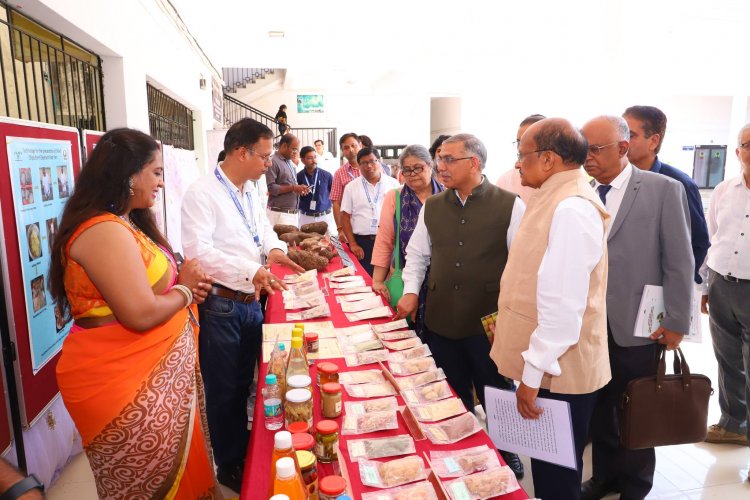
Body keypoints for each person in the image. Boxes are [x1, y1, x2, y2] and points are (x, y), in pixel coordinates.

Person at [50, 128, 217, 498]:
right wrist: (186, 289)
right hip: (123, 383)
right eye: (156, 172)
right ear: (129, 175)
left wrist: (185, 288)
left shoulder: (126, 223)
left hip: (152, 373)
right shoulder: (102, 231)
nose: (161, 181)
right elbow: (139, 314)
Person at [181, 118, 304, 492]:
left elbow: (262, 229)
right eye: (265, 157)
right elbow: (199, 252)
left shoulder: (251, 188)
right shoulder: (202, 193)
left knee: (247, 380)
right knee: (225, 389)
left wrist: (276, 251)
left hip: (252, 300)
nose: (270, 163)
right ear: (240, 152)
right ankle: (230, 463)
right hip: (222, 304)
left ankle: (242, 445)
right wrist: (252, 269)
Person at [490, 118, 611, 499]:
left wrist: (532, 375)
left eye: (521, 155)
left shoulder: (571, 208)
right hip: (550, 368)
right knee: (549, 473)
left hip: (558, 372)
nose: (517, 164)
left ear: (547, 160)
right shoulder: (553, 197)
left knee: (557, 480)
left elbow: (562, 308)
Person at [394, 133, 526, 479]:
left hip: (489, 323)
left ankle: (506, 450)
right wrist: (410, 292)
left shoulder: (510, 205)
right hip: (440, 319)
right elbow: (417, 255)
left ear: (474, 163)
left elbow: (522, 267)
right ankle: (460, 451)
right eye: (439, 159)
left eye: (449, 159)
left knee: (495, 391)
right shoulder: (433, 206)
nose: (441, 166)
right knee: (449, 392)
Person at [580, 116, 693, 500]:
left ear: (623, 148)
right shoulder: (583, 191)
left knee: (637, 409)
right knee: (601, 409)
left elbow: (679, 260)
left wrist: (677, 321)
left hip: (641, 323)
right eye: (584, 148)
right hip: (592, 324)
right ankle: (605, 476)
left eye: (595, 149)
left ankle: (636, 485)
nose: (587, 157)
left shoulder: (663, 189)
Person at [699, 123, 750, 456]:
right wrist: (705, 285)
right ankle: (733, 424)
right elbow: (714, 236)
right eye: (748, 144)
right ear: (738, 151)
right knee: (727, 359)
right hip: (721, 283)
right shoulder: (723, 189)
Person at [623, 105, 710, 284]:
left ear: (654, 141)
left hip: (658, 293)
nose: (622, 142)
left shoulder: (678, 184)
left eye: (630, 135)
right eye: (620, 134)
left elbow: (698, 243)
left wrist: (673, 287)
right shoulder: (616, 179)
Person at [371, 144, 443, 337]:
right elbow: (385, 240)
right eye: (407, 169)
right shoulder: (395, 197)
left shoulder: (447, 195)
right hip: (405, 277)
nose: (412, 174)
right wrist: (377, 280)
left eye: (418, 168)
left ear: (431, 165)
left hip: (442, 283)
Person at [340, 147, 400, 276]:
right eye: (364, 163)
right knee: (366, 279)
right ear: (359, 165)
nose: (369, 166)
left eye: (373, 161)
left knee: (389, 279)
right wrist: (353, 244)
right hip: (363, 244)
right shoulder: (351, 187)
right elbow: (345, 217)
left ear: (380, 161)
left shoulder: (394, 184)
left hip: (388, 242)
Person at [495, 114, 545, 203]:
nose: (520, 148)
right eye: (518, 142)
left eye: (526, 141)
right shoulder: (506, 180)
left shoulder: (560, 183)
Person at [266, 133, 307, 227]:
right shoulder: (273, 161)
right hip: (280, 214)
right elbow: (271, 188)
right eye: (293, 149)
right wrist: (293, 188)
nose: (295, 152)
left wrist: (299, 189)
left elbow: (289, 184)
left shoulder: (288, 161)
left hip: (292, 214)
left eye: (297, 149)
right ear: (284, 146)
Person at [330, 132, 363, 242]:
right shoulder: (339, 173)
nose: (351, 150)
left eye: (353, 145)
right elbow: (336, 203)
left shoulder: (373, 168)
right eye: (346, 148)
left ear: (360, 145)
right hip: (349, 227)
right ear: (343, 151)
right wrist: (340, 229)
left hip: (373, 227)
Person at [297, 145, 336, 235]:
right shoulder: (298, 176)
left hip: (325, 216)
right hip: (305, 217)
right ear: (302, 160)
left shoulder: (327, 175)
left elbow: (334, 196)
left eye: (315, 157)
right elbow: (294, 195)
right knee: (305, 244)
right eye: (310, 158)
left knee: (327, 245)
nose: (314, 161)